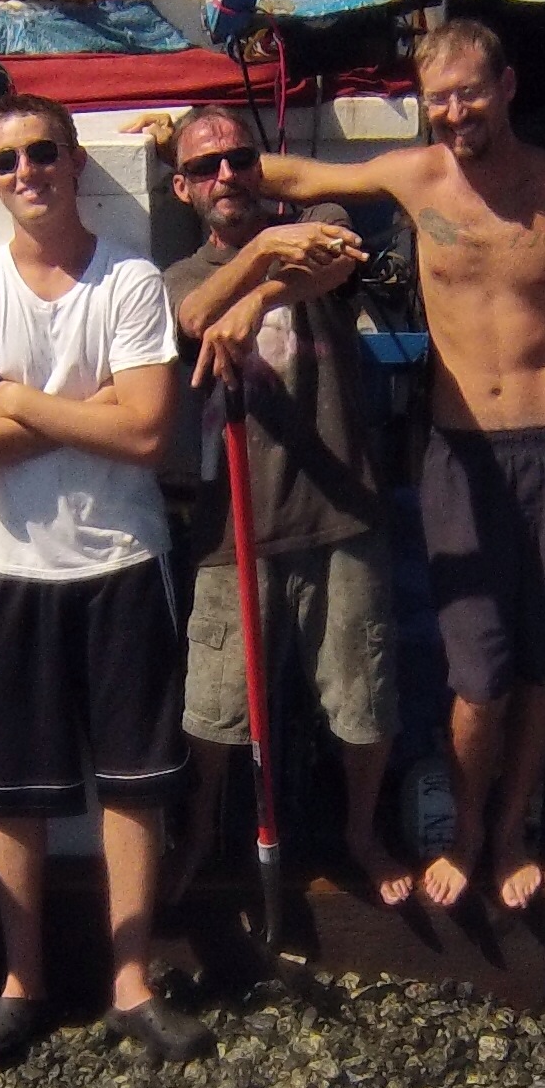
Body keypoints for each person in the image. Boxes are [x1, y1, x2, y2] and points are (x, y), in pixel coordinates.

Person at [259, 17, 545, 912]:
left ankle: (509, 829)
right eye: (438, 98)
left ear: (508, 88)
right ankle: (460, 827)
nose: (455, 113)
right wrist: (192, 145)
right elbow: (296, 175)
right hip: (462, 457)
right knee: (477, 670)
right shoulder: (416, 178)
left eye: (471, 93)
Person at [0, 94, 211, 1067]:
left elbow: (144, 434)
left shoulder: (130, 282)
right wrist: (68, 408)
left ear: (73, 157)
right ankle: (22, 982)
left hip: (122, 562)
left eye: (39, 152)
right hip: (8, 572)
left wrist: (12, 396)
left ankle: (130, 982)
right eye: (3, 162)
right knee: (12, 794)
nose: (24, 174)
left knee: (133, 785)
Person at [152, 103, 412, 909]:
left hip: (343, 515)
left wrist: (258, 299)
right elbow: (193, 319)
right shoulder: (179, 276)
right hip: (232, 529)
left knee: (364, 699)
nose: (226, 175)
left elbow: (334, 261)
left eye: (239, 158)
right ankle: (198, 835)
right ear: (183, 188)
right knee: (214, 711)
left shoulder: (320, 223)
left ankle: (362, 832)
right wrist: (262, 254)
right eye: (204, 167)